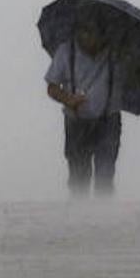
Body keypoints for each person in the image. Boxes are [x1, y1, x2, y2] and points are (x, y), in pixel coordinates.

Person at [44, 17, 122, 196]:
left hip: (108, 121)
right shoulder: (66, 52)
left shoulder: (116, 53)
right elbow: (52, 87)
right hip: (76, 121)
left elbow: (134, 78)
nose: (87, 37)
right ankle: (80, 217)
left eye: (93, 32)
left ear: (103, 34)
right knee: (78, 177)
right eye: (83, 32)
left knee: (105, 175)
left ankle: (104, 217)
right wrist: (68, 99)